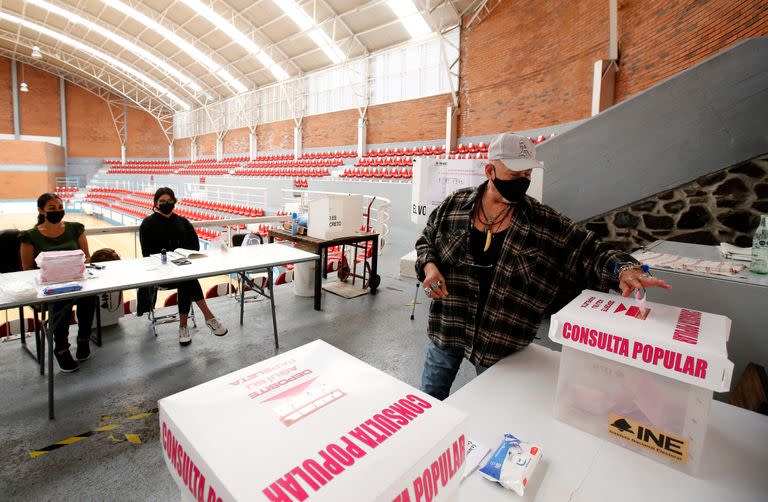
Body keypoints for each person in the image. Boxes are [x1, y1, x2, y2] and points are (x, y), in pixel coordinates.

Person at [414, 133, 671, 400]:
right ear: (490, 170)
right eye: (515, 174)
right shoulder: (455, 205)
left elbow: (590, 250)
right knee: (430, 398)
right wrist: (430, 267)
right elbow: (426, 241)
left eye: (528, 173)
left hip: (500, 341)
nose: (523, 181)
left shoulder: (544, 223)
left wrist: (624, 269)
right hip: (448, 325)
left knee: (495, 411)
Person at [138, 187, 228, 345]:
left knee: (186, 279)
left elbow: (195, 246)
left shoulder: (183, 222)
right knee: (188, 280)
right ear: (155, 204)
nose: (167, 204)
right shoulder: (148, 224)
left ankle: (184, 327)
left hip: (183, 270)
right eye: (162, 202)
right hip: (161, 274)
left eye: (170, 201)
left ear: (175, 201)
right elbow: (147, 254)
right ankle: (207, 317)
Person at [19, 193, 96, 373]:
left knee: (89, 297)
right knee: (61, 302)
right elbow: (27, 269)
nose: (58, 211)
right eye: (52, 208)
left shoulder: (75, 228)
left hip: (76, 282)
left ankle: (83, 338)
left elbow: (87, 257)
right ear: (41, 210)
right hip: (49, 288)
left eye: (60, 207)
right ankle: (61, 348)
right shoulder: (29, 236)